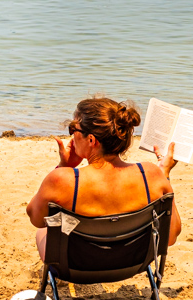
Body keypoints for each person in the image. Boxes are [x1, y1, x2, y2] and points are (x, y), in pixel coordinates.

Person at [26, 97, 181, 262]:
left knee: (43, 231)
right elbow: (171, 236)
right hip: (131, 263)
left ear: (91, 140)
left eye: (73, 129)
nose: (71, 137)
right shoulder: (151, 174)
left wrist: (64, 166)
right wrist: (164, 172)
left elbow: (35, 217)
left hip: (76, 266)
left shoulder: (62, 180)